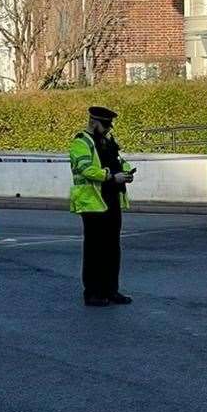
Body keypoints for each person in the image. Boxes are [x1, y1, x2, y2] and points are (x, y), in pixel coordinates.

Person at [69, 106, 135, 307]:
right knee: (94, 249)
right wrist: (110, 176)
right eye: (105, 125)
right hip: (92, 202)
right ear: (93, 122)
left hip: (111, 199)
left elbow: (118, 161)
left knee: (112, 248)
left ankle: (111, 290)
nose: (108, 129)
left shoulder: (107, 142)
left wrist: (126, 172)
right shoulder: (81, 142)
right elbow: (86, 168)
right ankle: (93, 293)